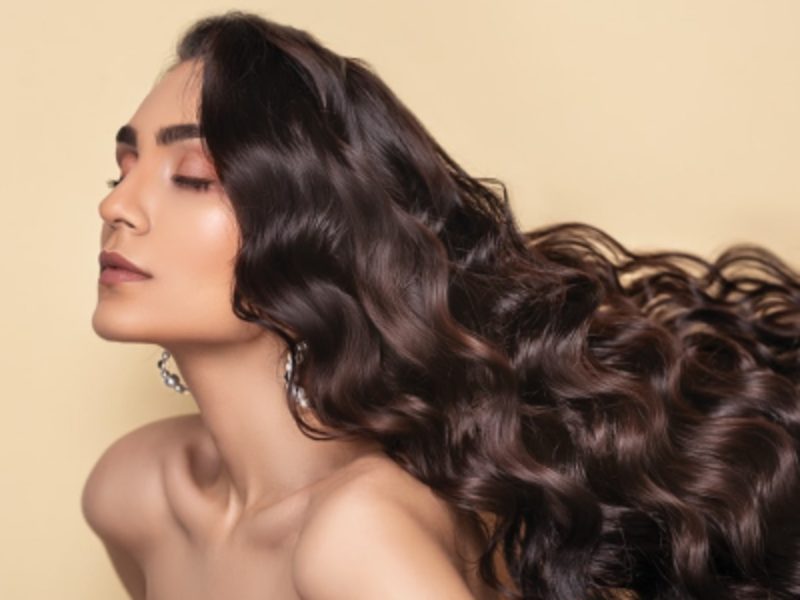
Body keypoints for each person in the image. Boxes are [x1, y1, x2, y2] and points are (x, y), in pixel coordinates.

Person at [81, 10, 800, 600]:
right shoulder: (136, 493)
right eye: (124, 168)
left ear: (316, 234)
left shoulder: (355, 535)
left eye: (193, 176)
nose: (117, 206)